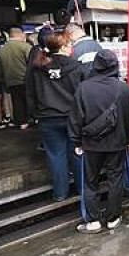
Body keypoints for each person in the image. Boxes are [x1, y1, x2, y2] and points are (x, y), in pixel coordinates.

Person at [71, 50, 129, 234]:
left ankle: (92, 221)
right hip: (117, 144)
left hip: (91, 144)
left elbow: (76, 118)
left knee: (90, 181)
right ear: (115, 65)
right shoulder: (124, 89)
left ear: (96, 65)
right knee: (115, 179)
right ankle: (113, 218)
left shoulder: (83, 88)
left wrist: (77, 142)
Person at [26, 33, 86, 201]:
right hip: (72, 118)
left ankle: (60, 193)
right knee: (77, 153)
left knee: (55, 155)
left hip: (47, 118)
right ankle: (82, 190)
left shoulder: (37, 66)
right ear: (64, 47)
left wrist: (33, 115)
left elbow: (30, 93)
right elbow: (83, 94)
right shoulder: (76, 66)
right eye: (69, 44)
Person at [0, 27, 32, 130]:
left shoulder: (2, 49)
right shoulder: (25, 47)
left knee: (17, 102)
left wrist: (3, 79)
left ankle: (21, 122)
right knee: (28, 100)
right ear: (20, 35)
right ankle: (31, 119)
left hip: (10, 81)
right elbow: (32, 63)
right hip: (25, 79)